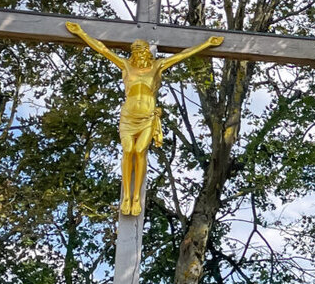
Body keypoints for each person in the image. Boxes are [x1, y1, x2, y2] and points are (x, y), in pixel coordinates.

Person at [65, 21, 224, 216]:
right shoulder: (125, 65)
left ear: (147, 52)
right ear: (133, 53)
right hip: (128, 116)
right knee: (128, 150)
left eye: (142, 51)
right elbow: (103, 49)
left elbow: (182, 55)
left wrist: (206, 44)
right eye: (136, 52)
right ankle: (125, 197)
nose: (139, 55)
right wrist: (81, 33)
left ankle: (137, 198)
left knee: (140, 151)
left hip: (147, 116)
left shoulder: (157, 66)